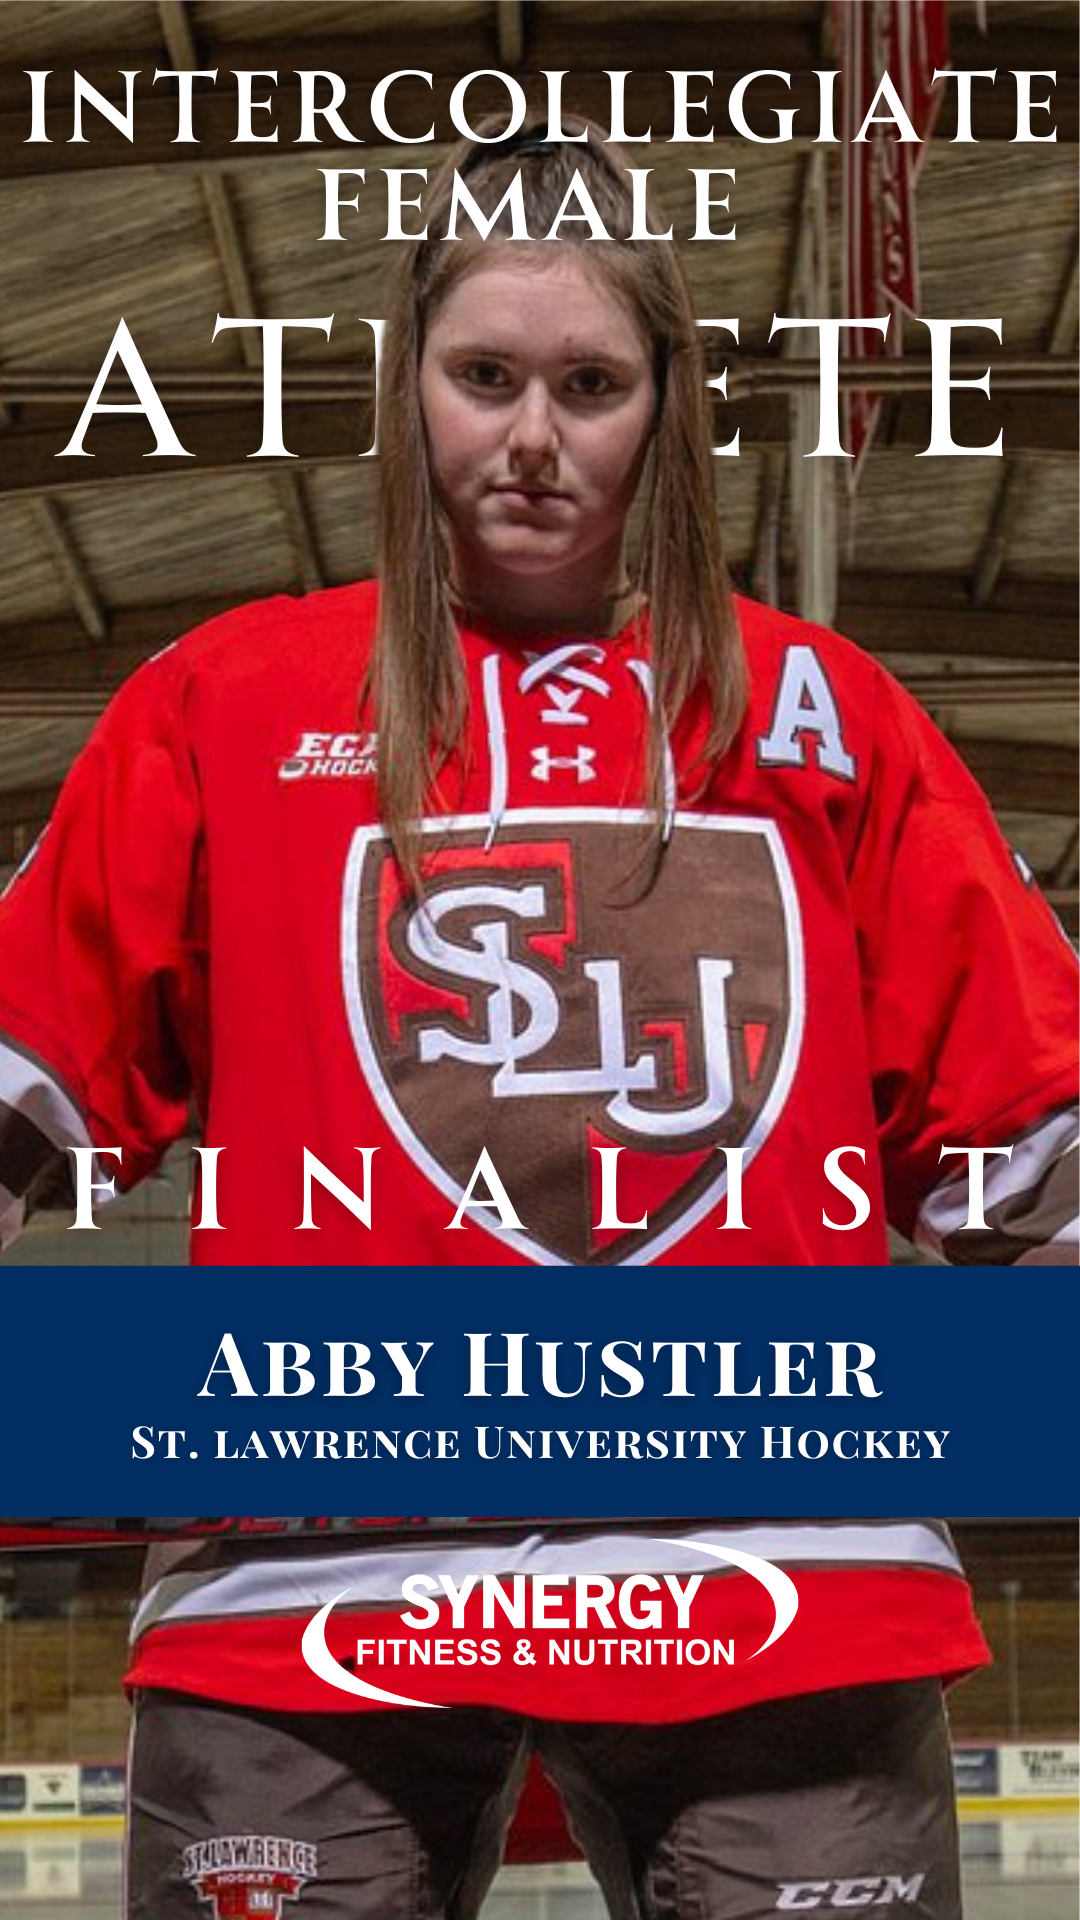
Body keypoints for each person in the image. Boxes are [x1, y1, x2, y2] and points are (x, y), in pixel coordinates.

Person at [0, 120, 1074, 1919]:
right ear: (405, 383)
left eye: (591, 381)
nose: (532, 436)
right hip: (310, 1565)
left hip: (775, 1551)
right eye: (483, 374)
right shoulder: (223, 704)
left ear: (667, 406)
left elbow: (1028, 1133)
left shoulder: (829, 715)